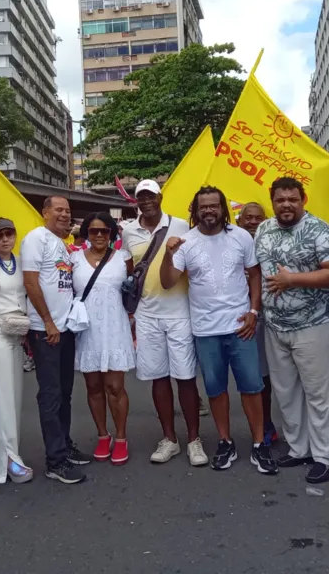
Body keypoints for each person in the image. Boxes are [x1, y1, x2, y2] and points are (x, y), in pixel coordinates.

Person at [161, 187, 271, 474]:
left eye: (214, 206)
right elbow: (168, 282)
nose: (208, 211)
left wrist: (254, 311)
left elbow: (255, 275)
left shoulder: (241, 236)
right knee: (216, 390)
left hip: (240, 326)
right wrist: (167, 255)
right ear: (195, 210)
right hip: (205, 329)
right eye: (203, 207)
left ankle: (260, 444)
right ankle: (225, 441)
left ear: (223, 208)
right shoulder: (186, 241)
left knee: (252, 387)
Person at [254, 177, 329, 484]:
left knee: (321, 393)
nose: (286, 205)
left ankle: (326, 456)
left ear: (303, 199)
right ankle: (299, 448)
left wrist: (292, 280)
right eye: (280, 200)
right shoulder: (264, 229)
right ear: (273, 201)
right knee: (287, 392)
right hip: (276, 325)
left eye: (292, 199)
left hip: (315, 325)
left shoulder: (320, 231)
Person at [121, 180, 206, 467]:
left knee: (185, 378)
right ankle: (169, 438)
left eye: (151, 196)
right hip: (147, 314)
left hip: (179, 311)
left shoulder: (181, 226)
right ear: (136, 201)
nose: (146, 201)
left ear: (160, 197)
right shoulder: (128, 231)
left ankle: (194, 439)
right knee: (158, 377)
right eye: (141, 197)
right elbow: (129, 269)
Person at [21, 196, 91, 484]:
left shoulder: (62, 243)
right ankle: (55, 460)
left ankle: (64, 444)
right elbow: (30, 281)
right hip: (45, 329)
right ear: (45, 212)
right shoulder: (36, 238)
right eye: (59, 210)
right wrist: (48, 321)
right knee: (50, 395)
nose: (64, 215)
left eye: (68, 211)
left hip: (65, 329)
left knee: (65, 393)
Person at [72, 212, 135, 465]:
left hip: (115, 328)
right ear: (86, 233)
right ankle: (102, 435)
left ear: (112, 234)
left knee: (115, 387)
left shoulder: (123, 258)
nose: (99, 235)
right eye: (94, 231)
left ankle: (120, 437)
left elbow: (133, 290)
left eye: (105, 231)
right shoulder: (73, 259)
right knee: (94, 387)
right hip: (86, 330)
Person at [0, 218, 33, 484]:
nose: (5, 239)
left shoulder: (22, 262)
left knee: (13, 395)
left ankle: (12, 454)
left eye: (9, 234)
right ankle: (3, 461)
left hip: (17, 331)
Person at [237, 202, 278, 446]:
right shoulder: (233, 242)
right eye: (248, 218)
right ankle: (262, 426)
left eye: (258, 218)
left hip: (270, 317)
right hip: (241, 319)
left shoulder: (271, 242)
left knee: (269, 377)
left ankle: (270, 424)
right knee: (253, 376)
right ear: (240, 220)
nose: (252, 222)